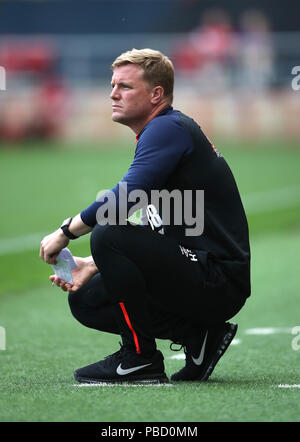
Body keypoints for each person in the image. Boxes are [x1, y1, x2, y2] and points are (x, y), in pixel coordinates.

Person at [39, 48, 251, 384]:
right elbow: (155, 229)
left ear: (156, 94)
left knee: (107, 232)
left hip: (218, 278)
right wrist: (94, 265)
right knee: (87, 298)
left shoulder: (169, 128)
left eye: (125, 86)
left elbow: (124, 198)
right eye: (112, 85)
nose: (113, 93)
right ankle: (199, 336)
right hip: (196, 270)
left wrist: (65, 231)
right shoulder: (160, 134)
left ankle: (140, 359)